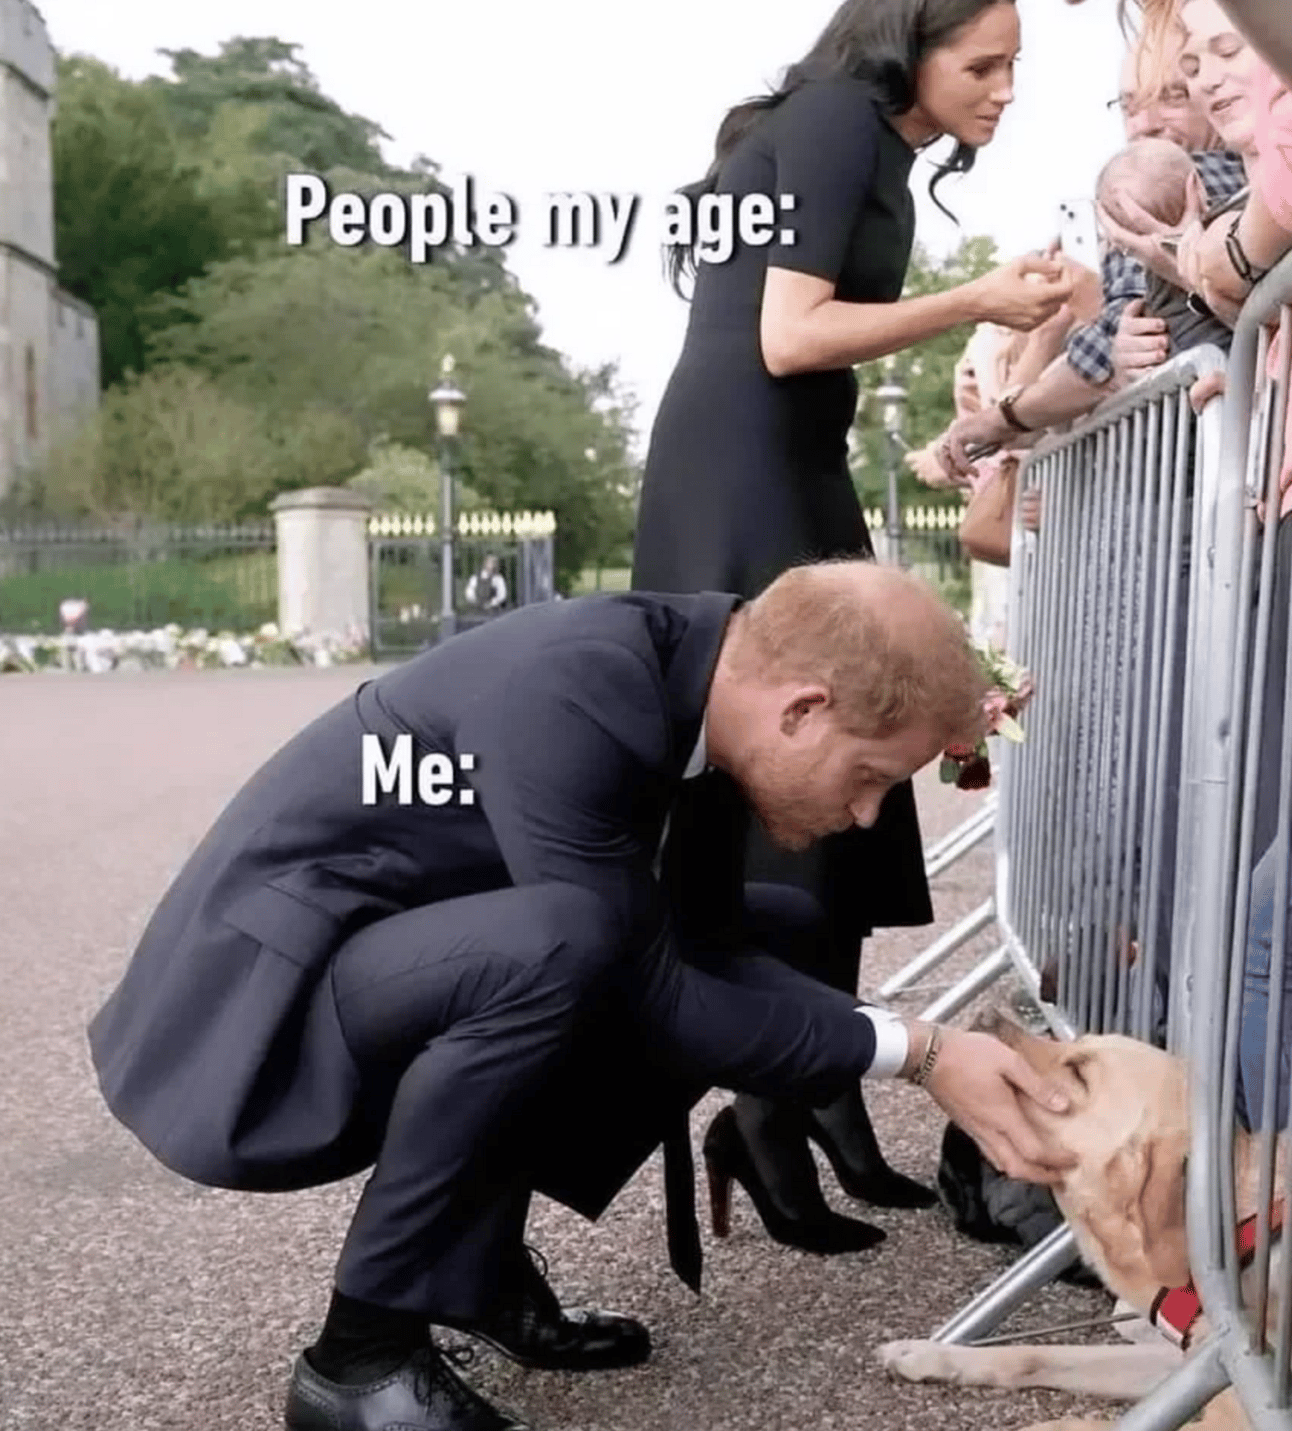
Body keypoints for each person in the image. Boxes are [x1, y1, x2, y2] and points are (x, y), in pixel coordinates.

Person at [87, 561, 1074, 1431]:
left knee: (773, 922)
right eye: (869, 777)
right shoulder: (582, 686)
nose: (863, 814)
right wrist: (923, 1055)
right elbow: (652, 989)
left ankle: (474, 1273)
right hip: (257, 1006)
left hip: (386, 958)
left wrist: (908, 1039)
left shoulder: (695, 681)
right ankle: (359, 1358)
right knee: (569, 944)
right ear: (802, 709)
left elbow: (696, 949)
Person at [631, 0, 1075, 1258]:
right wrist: (975, 297)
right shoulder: (833, 117)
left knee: (845, 768)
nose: (1003, 90)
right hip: (744, 468)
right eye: (982, 64)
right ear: (905, 46)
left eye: (1013, 67)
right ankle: (771, 1109)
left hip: (785, 458)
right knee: (804, 763)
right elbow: (790, 335)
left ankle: (814, 1090)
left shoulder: (861, 138)